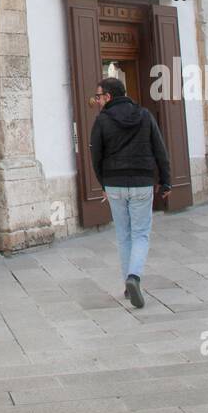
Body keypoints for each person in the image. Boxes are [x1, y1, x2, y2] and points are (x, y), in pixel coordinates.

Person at [89, 77, 172, 309]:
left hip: (115, 184)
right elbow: (160, 149)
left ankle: (128, 285)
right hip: (142, 182)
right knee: (141, 234)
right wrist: (165, 181)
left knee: (124, 235)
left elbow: (96, 156)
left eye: (98, 96)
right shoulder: (144, 115)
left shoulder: (102, 120)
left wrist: (104, 183)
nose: (96, 101)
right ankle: (134, 277)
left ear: (109, 96)